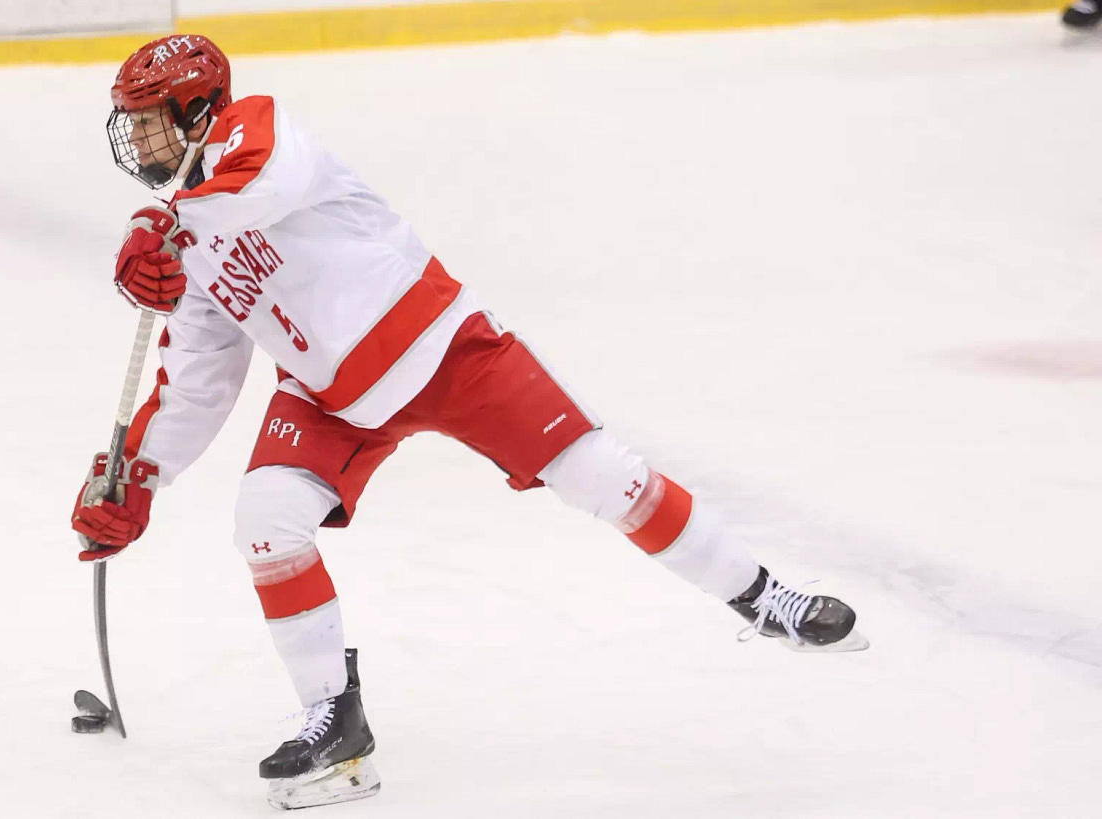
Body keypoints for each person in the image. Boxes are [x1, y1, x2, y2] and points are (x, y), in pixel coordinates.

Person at [70, 33, 868, 811]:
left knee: (604, 476)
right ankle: (336, 727)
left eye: (149, 118)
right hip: (329, 399)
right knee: (267, 523)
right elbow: (199, 378)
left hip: (445, 349)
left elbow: (258, 189)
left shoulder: (255, 133)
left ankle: (765, 597)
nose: (135, 138)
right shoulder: (187, 237)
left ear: (200, 108)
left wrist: (174, 225)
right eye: (131, 122)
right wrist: (135, 476)